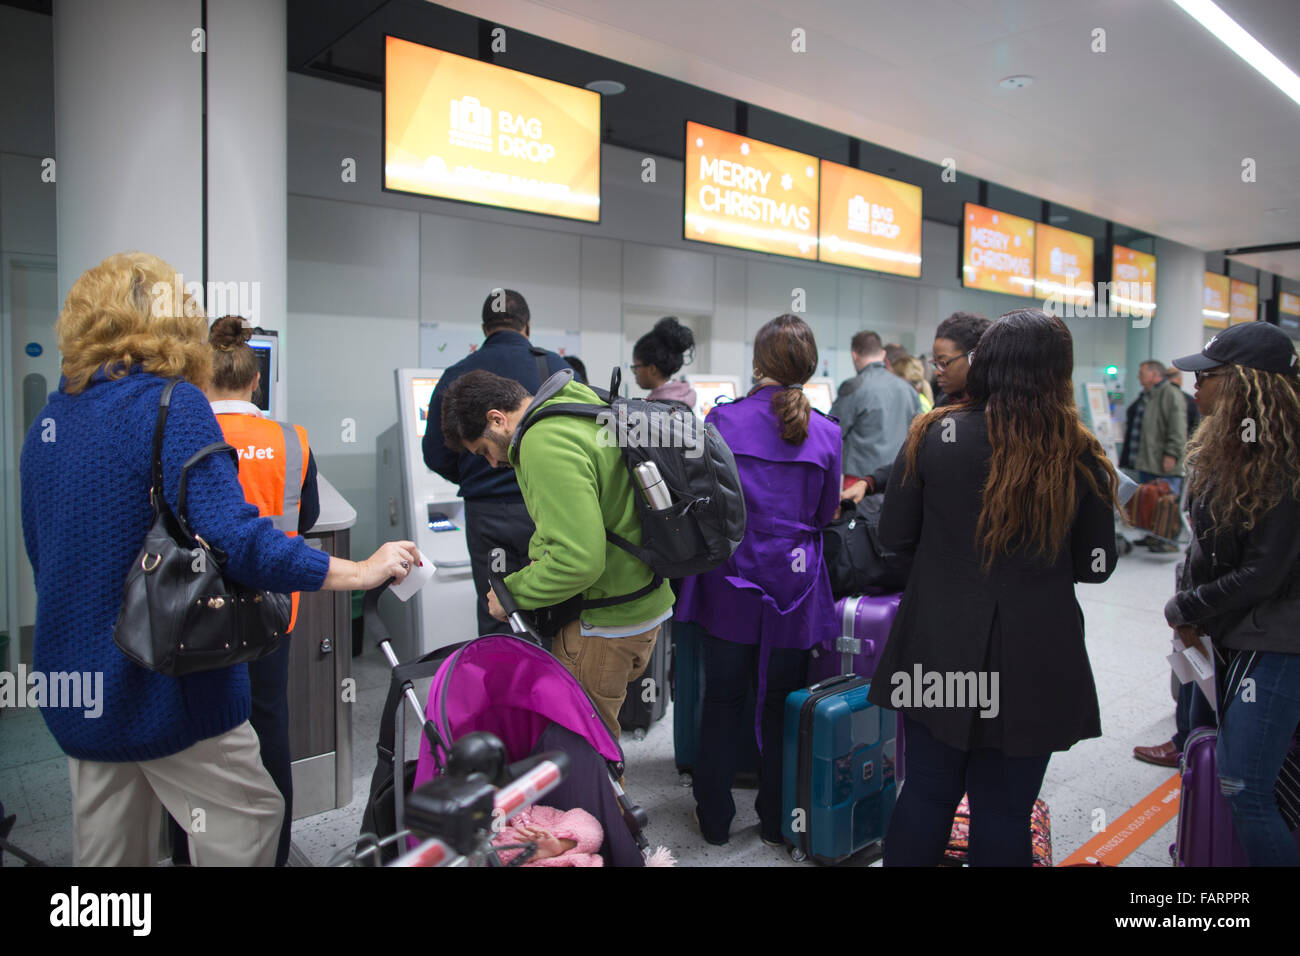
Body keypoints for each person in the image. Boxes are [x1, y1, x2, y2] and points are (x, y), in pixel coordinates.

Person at [19, 252, 414, 867]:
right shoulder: (171, 406)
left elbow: (46, 557)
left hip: (78, 686)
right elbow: (240, 542)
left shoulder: (51, 418)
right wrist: (359, 573)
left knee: (110, 855)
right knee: (250, 818)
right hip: (167, 685)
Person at [868, 308, 1119, 867]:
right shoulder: (1079, 452)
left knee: (928, 792)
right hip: (1035, 654)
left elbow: (893, 538)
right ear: (1058, 372)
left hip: (939, 642)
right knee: (1005, 811)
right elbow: (1096, 565)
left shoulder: (934, 434)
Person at [674, 314, 841, 847]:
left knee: (722, 698)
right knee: (782, 703)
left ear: (758, 362)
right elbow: (827, 512)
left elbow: (700, 502)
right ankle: (776, 821)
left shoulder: (722, 422)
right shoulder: (828, 432)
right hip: (793, 583)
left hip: (731, 577)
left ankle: (716, 820)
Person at [438, 368, 675, 738]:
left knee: (588, 757)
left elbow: (579, 560)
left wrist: (510, 594)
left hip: (604, 623)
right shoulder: (578, 404)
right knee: (602, 744)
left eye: (484, 450)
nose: (491, 462)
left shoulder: (541, 441)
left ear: (496, 419)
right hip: (643, 603)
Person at [164, 315, 318, 867]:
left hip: (191, 614)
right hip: (272, 611)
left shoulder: (182, 436)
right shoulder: (292, 440)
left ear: (199, 381)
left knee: (192, 736)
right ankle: (274, 851)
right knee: (269, 725)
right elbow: (309, 517)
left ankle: (189, 852)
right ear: (257, 382)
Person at [1164, 322, 1300, 865]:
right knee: (1211, 759)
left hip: (1276, 644)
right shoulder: (1236, 448)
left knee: (1244, 787)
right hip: (1232, 632)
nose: (1194, 385)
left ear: (1247, 383)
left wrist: (1186, 606)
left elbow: (1264, 572)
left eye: (1207, 375)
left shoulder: (1284, 461)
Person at [422, 289, 572, 636]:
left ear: (484, 328)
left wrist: (475, 472)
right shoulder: (556, 369)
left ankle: (502, 685)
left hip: (486, 516)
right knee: (555, 608)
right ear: (527, 326)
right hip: (547, 510)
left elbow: (435, 453)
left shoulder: (455, 376)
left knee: (498, 608)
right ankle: (550, 686)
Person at [830, 330, 921, 492]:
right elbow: (918, 435)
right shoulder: (908, 389)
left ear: (854, 355)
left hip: (860, 483)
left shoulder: (854, 387)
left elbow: (832, 430)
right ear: (883, 353)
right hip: (897, 479)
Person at [631, 316, 697, 408]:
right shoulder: (683, 394)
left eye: (636, 367)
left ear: (652, 369)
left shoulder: (658, 407)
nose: (635, 373)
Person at [929, 311, 990, 407]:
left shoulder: (996, 411)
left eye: (944, 363)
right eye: (935, 364)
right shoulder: (942, 403)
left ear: (973, 358)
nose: (937, 372)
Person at [1165, 366, 1201, 437]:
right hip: (1184, 442)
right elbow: (1196, 425)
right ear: (1180, 379)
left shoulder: (1154, 399)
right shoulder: (1190, 400)